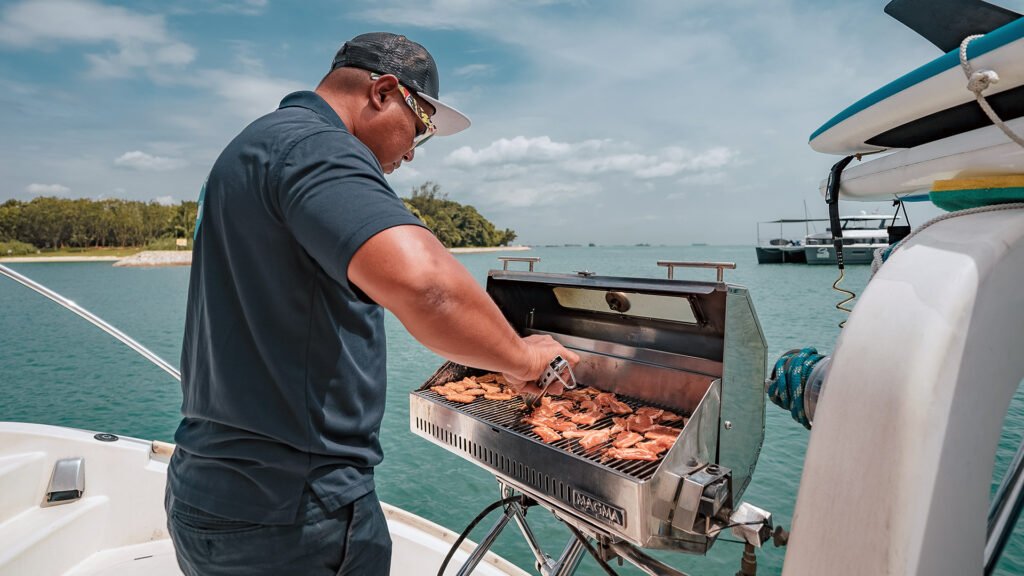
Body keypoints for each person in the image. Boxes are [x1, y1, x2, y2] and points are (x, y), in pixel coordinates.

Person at [164, 32, 579, 576]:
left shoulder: (250, 149)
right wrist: (524, 358)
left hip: (207, 491)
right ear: (384, 91)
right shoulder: (316, 147)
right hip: (293, 512)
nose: (411, 152)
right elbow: (426, 285)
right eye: (421, 129)